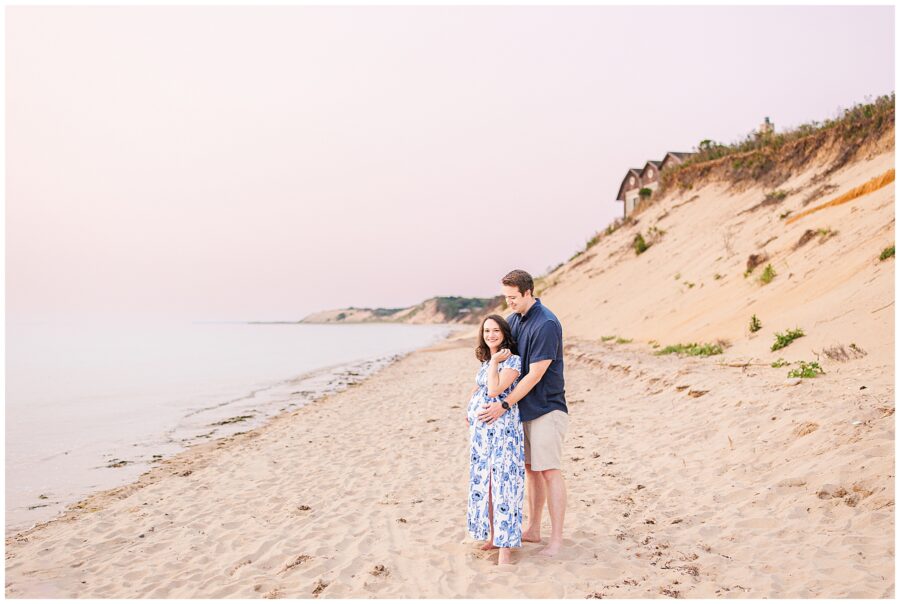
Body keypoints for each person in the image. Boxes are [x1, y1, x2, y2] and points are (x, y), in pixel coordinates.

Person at [478, 269, 568, 557]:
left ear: (528, 292)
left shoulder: (546, 323)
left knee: (550, 471)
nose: (509, 303)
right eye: (505, 297)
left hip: (546, 407)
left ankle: (556, 540)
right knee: (531, 471)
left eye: (513, 297)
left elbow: (534, 375)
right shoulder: (515, 320)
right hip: (522, 410)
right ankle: (533, 528)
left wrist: (503, 405)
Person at [466, 314, 525, 565]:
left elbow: (494, 390)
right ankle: (492, 535)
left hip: (503, 430)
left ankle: (505, 548)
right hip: (482, 433)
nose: (491, 335)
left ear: (504, 333)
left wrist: (493, 364)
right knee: (485, 484)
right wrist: (468, 411)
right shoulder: (486, 360)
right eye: (487, 331)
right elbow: (480, 389)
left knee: (504, 485)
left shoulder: (511, 360)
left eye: (496, 331)